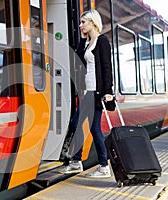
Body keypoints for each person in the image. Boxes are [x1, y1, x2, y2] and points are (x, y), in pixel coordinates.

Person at [59, 10, 114, 178]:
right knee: (87, 127)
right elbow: (77, 60)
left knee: (85, 126)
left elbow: (107, 67)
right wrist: (82, 40)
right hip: (88, 92)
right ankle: (80, 162)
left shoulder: (102, 41)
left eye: (83, 22)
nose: (81, 25)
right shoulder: (89, 42)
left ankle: (100, 165)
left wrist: (108, 91)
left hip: (96, 93)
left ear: (93, 22)